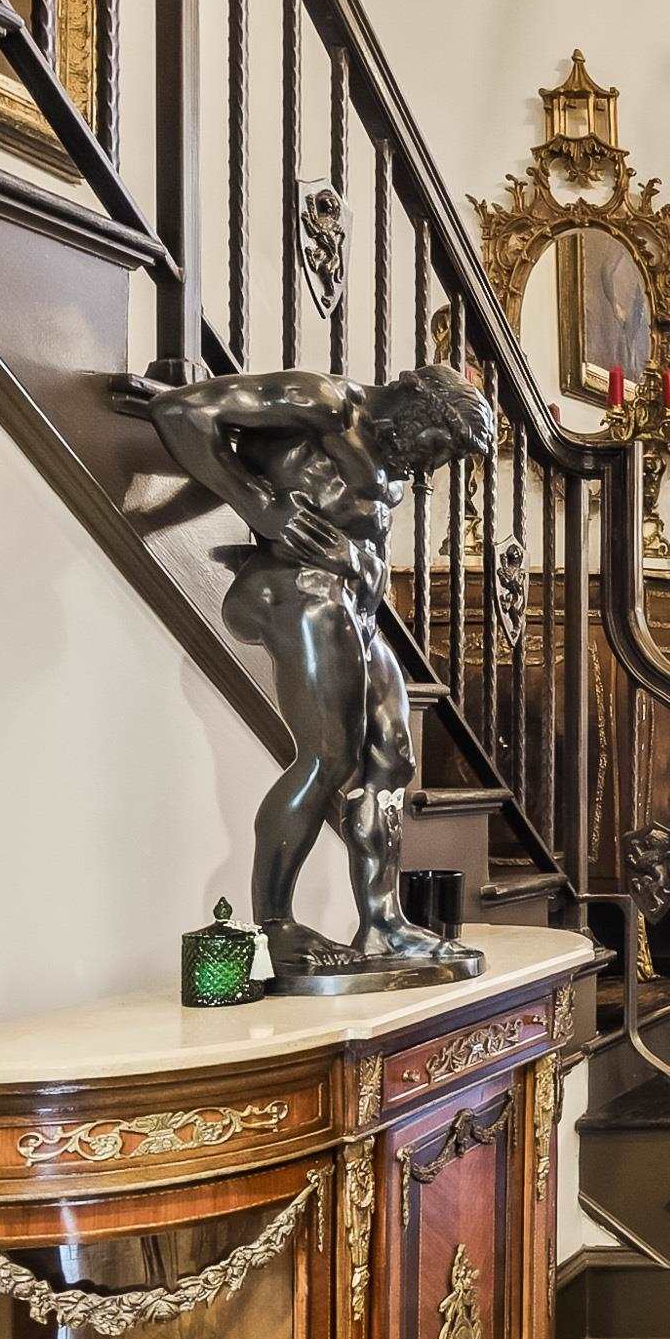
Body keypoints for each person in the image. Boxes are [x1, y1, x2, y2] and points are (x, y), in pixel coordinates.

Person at [152, 365, 497, 990]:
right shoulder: (325, 402)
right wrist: (261, 506)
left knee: (391, 757)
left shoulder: (389, 455)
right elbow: (181, 413)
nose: (432, 466)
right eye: (437, 448)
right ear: (421, 410)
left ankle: (382, 922)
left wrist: (361, 562)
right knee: (328, 757)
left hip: (356, 607)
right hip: (298, 591)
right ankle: (273, 925)